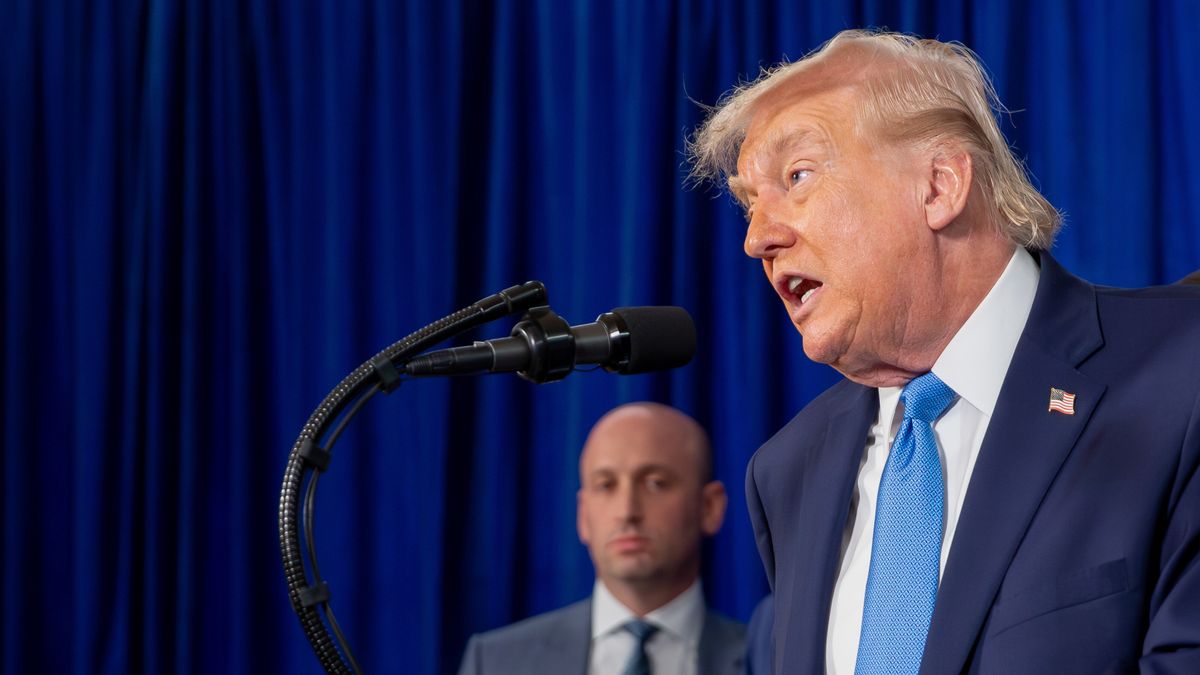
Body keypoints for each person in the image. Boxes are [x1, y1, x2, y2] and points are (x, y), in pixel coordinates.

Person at [689, 29, 1200, 674]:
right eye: (749, 205)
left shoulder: (1183, 372)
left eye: (798, 176)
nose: (758, 238)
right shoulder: (788, 470)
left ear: (939, 187)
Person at [458, 402, 745, 675]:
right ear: (583, 516)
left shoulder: (768, 660)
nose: (627, 511)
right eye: (606, 485)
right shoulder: (495, 663)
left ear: (710, 507)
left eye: (655, 483)